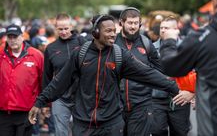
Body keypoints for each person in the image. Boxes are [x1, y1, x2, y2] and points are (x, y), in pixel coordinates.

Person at [28, 14, 180, 136]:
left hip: (112, 123)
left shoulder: (121, 55)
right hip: (83, 124)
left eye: (114, 31)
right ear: (96, 33)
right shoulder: (80, 54)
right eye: (108, 31)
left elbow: (148, 74)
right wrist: (40, 102)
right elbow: (59, 81)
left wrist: (175, 88)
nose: (113, 34)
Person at [159, 0, 217, 135]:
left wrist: (169, 41)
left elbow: (171, 67)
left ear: (214, 1)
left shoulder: (201, 38)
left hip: (216, 128)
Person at [115, 7, 162, 136]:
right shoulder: (111, 43)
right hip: (115, 106)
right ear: (121, 22)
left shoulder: (146, 44)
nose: (133, 26)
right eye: (130, 23)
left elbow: (159, 71)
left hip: (142, 104)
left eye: (136, 23)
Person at [151, 16, 195, 136]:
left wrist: (193, 93)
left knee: (180, 132)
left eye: (167, 28)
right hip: (156, 99)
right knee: (157, 131)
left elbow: (198, 72)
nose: (163, 30)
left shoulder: (187, 47)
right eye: (162, 28)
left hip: (180, 99)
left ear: (176, 29)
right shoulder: (151, 48)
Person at [42, 13, 85, 136]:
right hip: (59, 97)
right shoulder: (50, 48)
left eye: (66, 28)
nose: (64, 32)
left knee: (81, 131)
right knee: (61, 132)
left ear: (71, 26)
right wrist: (45, 103)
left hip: (81, 96)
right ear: (56, 28)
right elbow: (47, 76)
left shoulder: (82, 42)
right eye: (60, 29)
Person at [0, 24, 44, 136]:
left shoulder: (36, 55)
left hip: (26, 112)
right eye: (9, 37)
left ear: (22, 37)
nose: (12, 40)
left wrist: (44, 105)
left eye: (15, 37)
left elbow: (43, 81)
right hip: (4, 112)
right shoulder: (1, 54)